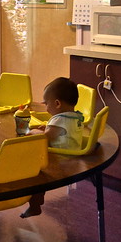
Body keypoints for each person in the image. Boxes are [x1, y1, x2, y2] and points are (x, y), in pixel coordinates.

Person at [22, 77, 84, 218]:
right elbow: (62, 132)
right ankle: (36, 200)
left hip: (59, 161)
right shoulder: (75, 117)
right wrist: (48, 127)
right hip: (73, 160)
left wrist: (34, 132)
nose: (46, 107)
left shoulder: (59, 120)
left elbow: (44, 137)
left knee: (33, 172)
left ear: (57, 104)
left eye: (46, 103)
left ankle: (35, 205)